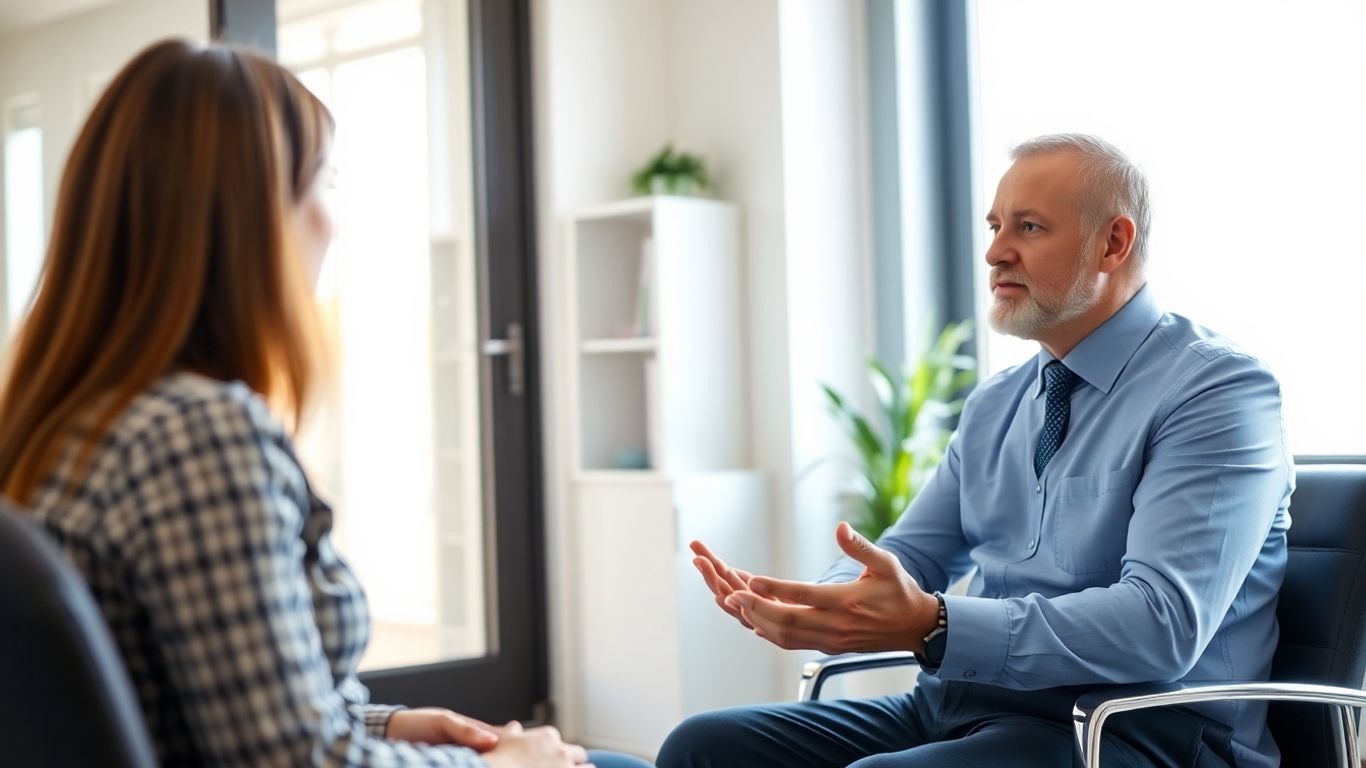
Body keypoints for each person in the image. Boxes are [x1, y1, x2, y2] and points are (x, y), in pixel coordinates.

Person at [0, 39, 651, 768]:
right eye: (324, 184)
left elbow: (215, 707)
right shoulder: (197, 437)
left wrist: (389, 725)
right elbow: (293, 761)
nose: (333, 223)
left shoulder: (71, 425)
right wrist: (506, 766)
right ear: (248, 218)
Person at [658, 134, 1292, 768]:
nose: (995, 252)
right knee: (703, 748)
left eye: (1029, 227)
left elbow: (1162, 624)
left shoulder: (1216, 390)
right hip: (962, 708)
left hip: (1131, 732)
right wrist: (832, 604)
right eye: (995, 227)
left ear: (1113, 243)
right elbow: (913, 553)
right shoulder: (997, 403)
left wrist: (936, 624)